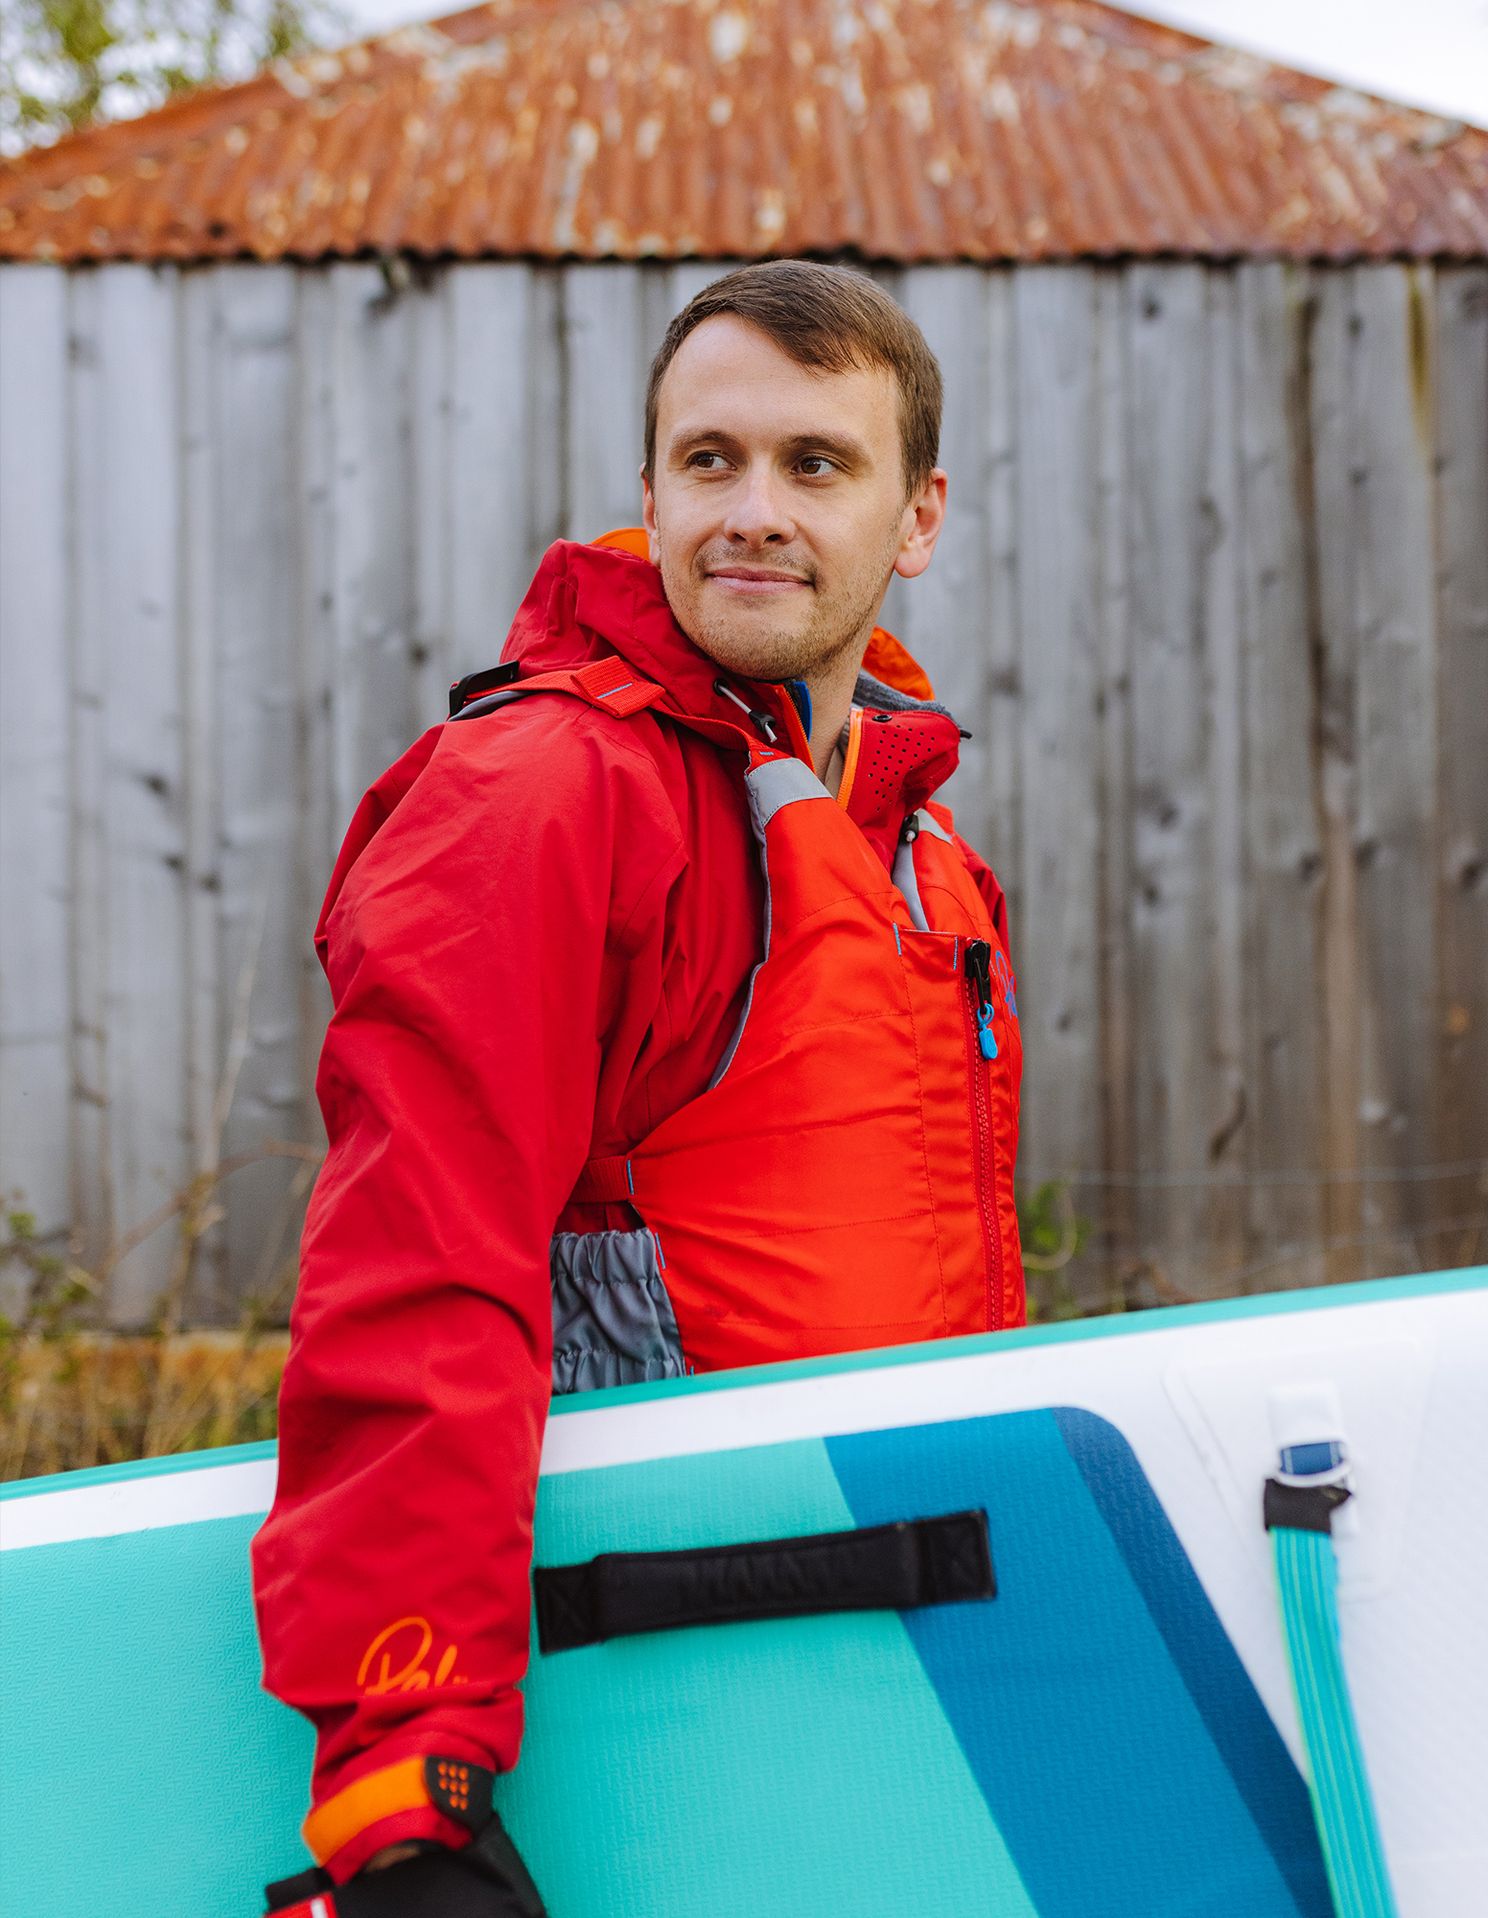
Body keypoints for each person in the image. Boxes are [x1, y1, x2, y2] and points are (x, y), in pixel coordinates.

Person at [252, 260, 1026, 1916]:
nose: (752, 511)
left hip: (898, 1655)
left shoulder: (915, 832)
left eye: (815, 465)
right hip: (664, 1670)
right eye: (708, 460)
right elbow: (417, 1267)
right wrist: (408, 1781)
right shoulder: (539, 794)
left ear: (918, 517)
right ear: (651, 487)